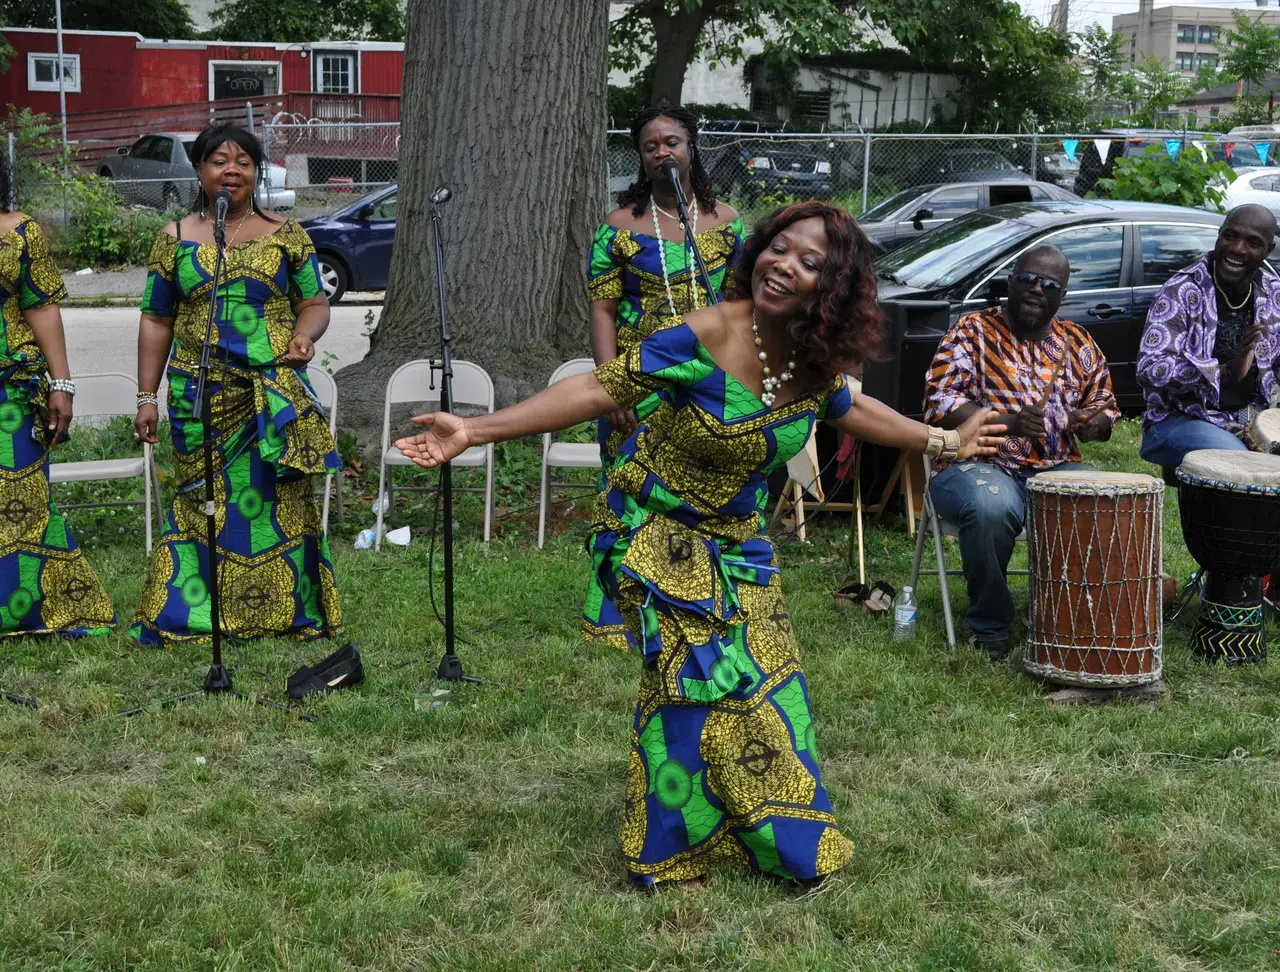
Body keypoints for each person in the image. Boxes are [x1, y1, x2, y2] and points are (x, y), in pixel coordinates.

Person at [397, 201, 1006, 888]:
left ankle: (776, 831)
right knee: (692, 687)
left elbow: (853, 409)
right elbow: (600, 386)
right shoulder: (707, 331)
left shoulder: (813, 360)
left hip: (737, 545)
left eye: (810, 263)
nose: (785, 265)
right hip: (659, 533)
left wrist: (943, 440)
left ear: (830, 289)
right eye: (781, 248)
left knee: (773, 685)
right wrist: (476, 431)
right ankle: (670, 848)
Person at [131, 123, 343, 646]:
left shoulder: (288, 234)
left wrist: (302, 335)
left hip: (270, 392)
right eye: (219, 160)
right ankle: (196, 613)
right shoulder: (174, 238)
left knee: (278, 503)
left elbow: (314, 302)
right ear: (200, 171)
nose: (232, 170)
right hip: (197, 393)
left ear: (256, 172)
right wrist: (145, 396)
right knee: (199, 500)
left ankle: (284, 610)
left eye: (244, 161)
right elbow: (156, 319)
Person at [585, 106, 743, 648]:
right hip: (639, 376)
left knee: (701, 488)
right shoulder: (618, 226)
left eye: (671, 141)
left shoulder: (726, 221)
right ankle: (616, 616)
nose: (662, 152)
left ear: (691, 147)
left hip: (707, 377)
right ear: (641, 157)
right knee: (629, 488)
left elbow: (741, 303)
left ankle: (695, 598)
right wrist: (610, 387)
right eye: (651, 146)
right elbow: (602, 310)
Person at [924, 245, 1120, 661]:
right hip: (974, 463)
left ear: (1061, 296)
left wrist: (1092, 423)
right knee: (992, 507)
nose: (1036, 289)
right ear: (1011, 281)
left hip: (1055, 465)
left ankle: (1061, 620)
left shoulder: (1078, 343)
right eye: (1028, 279)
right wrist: (1006, 423)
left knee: (1106, 503)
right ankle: (991, 626)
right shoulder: (972, 331)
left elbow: (1106, 412)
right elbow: (940, 403)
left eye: (1049, 285)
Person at [0, 195, 115, 639]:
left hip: (11, 385)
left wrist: (61, 384)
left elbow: (42, 306)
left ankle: (24, 608)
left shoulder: (19, 231)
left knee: (23, 504)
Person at [1137, 204, 1280, 475]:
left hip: (1251, 421)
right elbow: (1150, 368)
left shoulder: (1274, 294)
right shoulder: (1181, 290)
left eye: (1252, 242)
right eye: (1231, 236)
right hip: (1178, 419)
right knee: (1243, 464)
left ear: (1268, 250)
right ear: (1219, 234)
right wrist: (1223, 372)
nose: (1238, 248)